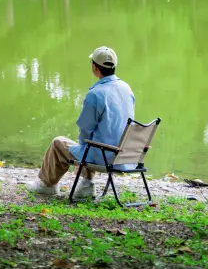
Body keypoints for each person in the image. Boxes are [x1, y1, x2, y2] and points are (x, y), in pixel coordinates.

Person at [28, 46, 135, 200]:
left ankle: (47, 186)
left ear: (95, 67)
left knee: (59, 143)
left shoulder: (96, 94)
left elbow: (85, 129)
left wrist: (81, 151)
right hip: (125, 154)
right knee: (94, 140)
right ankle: (86, 184)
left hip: (104, 156)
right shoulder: (126, 88)